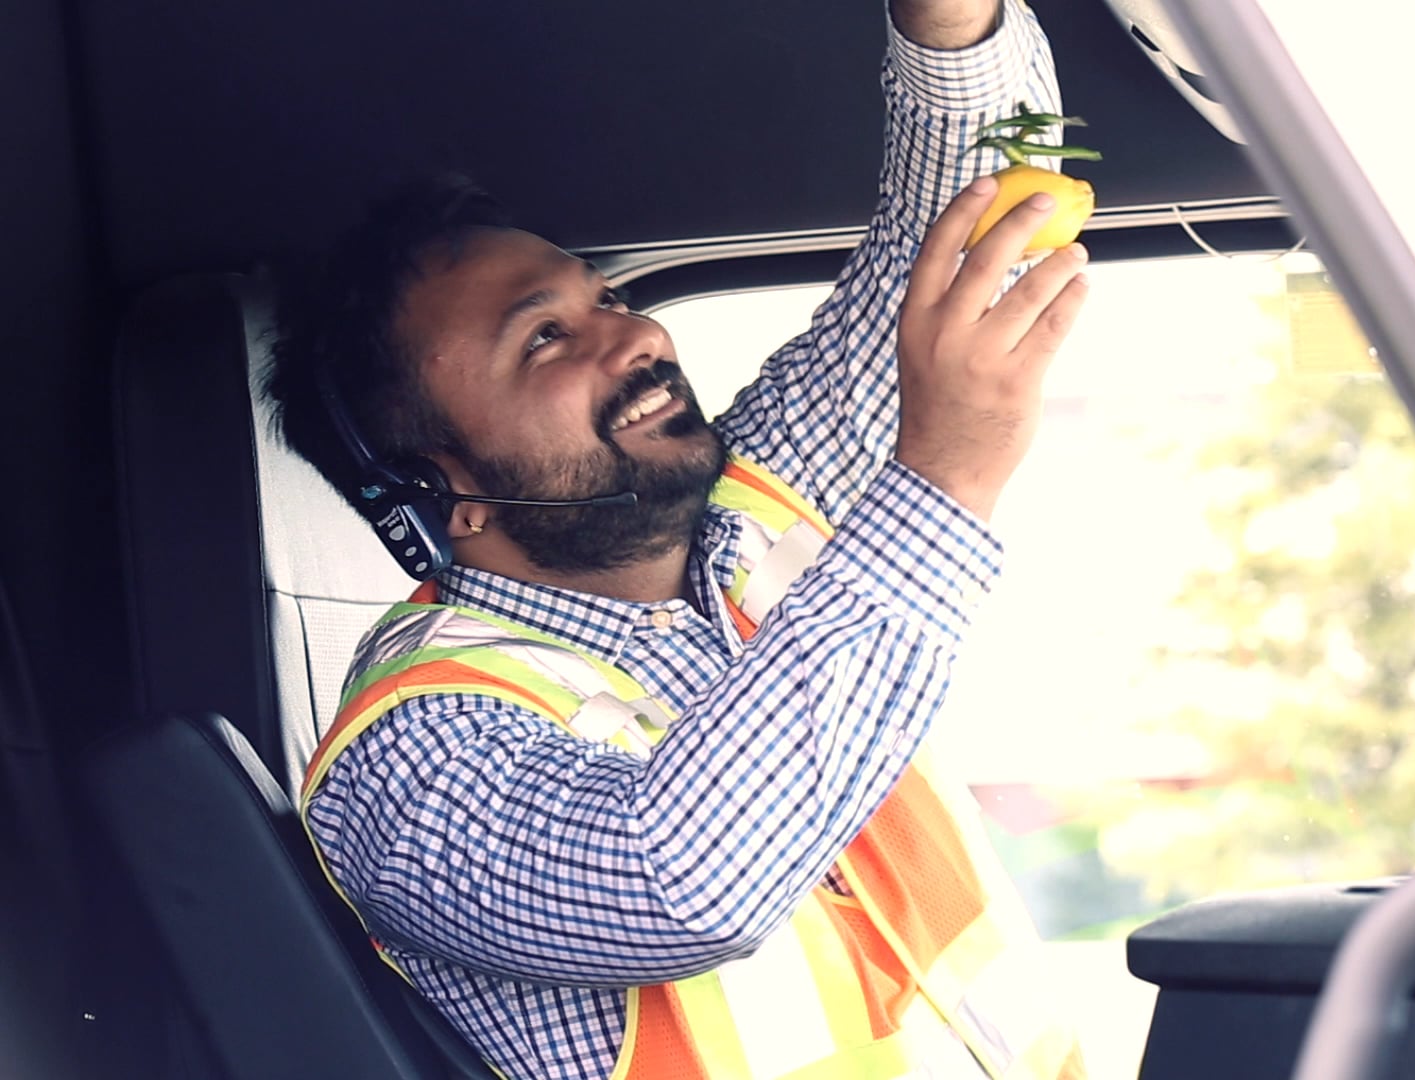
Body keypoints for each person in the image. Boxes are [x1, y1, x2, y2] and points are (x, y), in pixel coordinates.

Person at [264, 0, 1091, 1077]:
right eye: (546, 337)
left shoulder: (754, 507)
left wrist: (951, 18)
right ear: (442, 490)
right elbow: (681, 883)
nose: (640, 333)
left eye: (605, 296)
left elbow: (970, 234)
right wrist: (942, 480)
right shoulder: (409, 760)